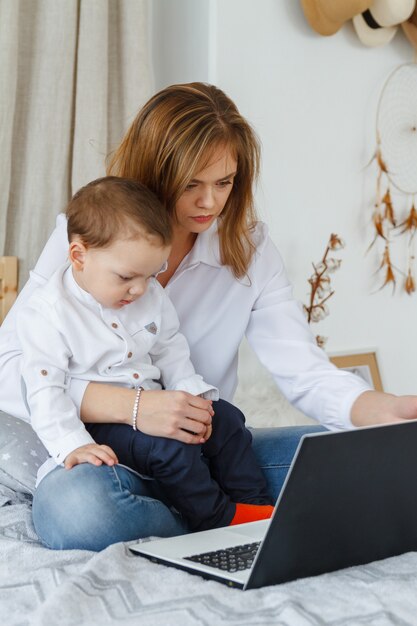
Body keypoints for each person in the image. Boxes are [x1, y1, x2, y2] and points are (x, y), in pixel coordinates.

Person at [1, 82, 416, 551]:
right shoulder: (89, 237)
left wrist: (374, 410)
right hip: (107, 464)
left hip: (208, 456)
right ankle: (216, 533)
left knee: (385, 462)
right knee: (78, 512)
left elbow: (303, 370)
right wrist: (137, 408)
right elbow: (10, 369)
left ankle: (223, 518)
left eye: (225, 183)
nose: (209, 203)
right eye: (191, 184)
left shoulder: (250, 251)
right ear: (156, 172)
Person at [16, 176, 274, 532]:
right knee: (172, 448)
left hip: (158, 403)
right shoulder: (46, 313)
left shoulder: (149, 294)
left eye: (152, 275)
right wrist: (72, 444)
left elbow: (170, 347)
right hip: (100, 426)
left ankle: (256, 507)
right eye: (126, 277)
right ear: (78, 256)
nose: (139, 289)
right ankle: (214, 519)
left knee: (228, 420)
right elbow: (44, 391)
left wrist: (192, 394)